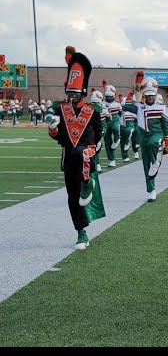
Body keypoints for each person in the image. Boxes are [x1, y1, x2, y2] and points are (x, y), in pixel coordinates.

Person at [47, 51, 105, 249]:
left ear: (83, 92)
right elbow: (60, 137)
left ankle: (88, 183)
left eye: (75, 93)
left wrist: (92, 146)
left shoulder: (93, 110)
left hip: (86, 157)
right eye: (69, 92)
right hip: (69, 159)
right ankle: (81, 233)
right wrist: (53, 130)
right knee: (73, 198)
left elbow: (98, 133)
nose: (72, 96)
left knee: (81, 160)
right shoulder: (60, 109)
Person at [122, 77, 168, 202]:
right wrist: (132, 92)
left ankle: (158, 158)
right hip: (143, 137)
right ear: (145, 95)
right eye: (148, 95)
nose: (150, 98)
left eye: (152, 95)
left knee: (153, 143)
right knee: (147, 166)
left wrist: (167, 142)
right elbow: (125, 106)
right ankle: (151, 190)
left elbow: (165, 126)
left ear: (156, 95)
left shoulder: (161, 107)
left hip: (156, 135)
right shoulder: (139, 107)